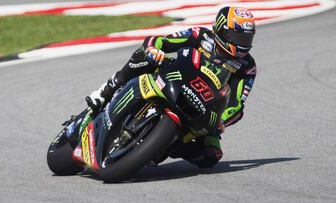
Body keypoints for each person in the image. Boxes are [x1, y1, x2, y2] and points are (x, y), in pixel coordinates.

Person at [86, 6, 257, 168]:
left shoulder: (247, 67)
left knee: (211, 156)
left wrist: (222, 120)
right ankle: (107, 89)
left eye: (247, 38)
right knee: (144, 57)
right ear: (221, 30)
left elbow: (237, 105)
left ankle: (167, 146)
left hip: (202, 107)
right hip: (173, 78)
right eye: (238, 37)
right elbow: (162, 41)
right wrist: (154, 49)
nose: (243, 43)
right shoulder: (200, 35)